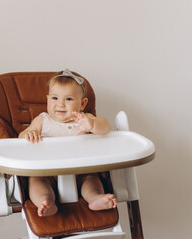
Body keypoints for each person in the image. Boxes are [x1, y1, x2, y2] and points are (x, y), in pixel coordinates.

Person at [18, 69, 117, 217]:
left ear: (82, 104)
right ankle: (46, 202)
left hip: (81, 171)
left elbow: (105, 127)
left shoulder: (84, 119)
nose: (61, 104)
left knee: (92, 179)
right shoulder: (43, 120)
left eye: (69, 99)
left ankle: (95, 197)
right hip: (47, 172)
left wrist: (91, 125)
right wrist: (29, 134)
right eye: (55, 98)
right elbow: (20, 139)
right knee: (36, 181)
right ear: (47, 100)